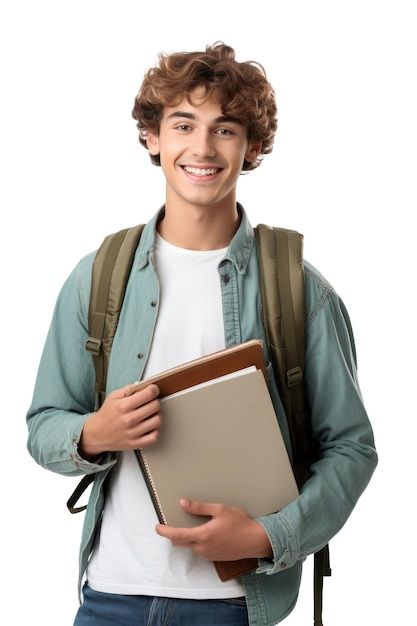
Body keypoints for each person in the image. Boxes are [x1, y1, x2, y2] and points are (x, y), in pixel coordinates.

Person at [26, 42, 378, 626]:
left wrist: (268, 536)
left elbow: (352, 448)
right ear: (152, 137)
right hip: (109, 597)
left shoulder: (299, 290)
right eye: (183, 124)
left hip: (235, 607)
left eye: (226, 129)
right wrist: (93, 432)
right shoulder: (97, 277)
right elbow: (44, 425)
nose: (203, 147)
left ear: (253, 147)